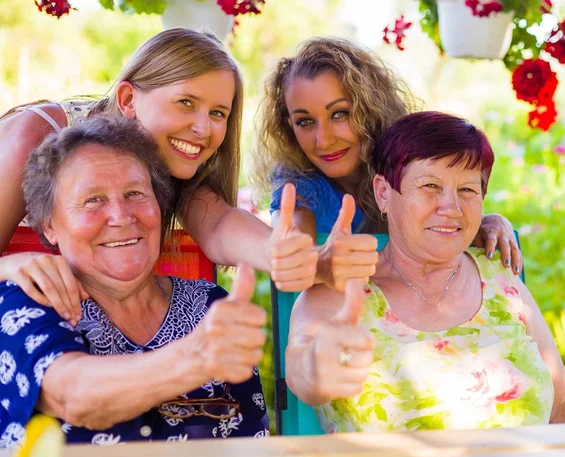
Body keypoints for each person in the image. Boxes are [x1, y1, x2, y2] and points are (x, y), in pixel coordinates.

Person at [0, 28, 356, 324]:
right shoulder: (33, 136)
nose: (203, 128)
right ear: (128, 99)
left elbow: (218, 225)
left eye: (218, 113)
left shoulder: (171, 163)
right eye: (186, 102)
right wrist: (14, 264)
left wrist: (282, 252)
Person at [285, 112, 565, 432]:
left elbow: (563, 404)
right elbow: (303, 375)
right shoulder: (338, 288)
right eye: (430, 185)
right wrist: (318, 365)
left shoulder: (500, 278)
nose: (451, 208)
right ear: (383, 192)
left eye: (467, 190)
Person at [0, 116, 269, 447]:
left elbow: (253, 445)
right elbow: (73, 396)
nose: (122, 216)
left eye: (135, 193)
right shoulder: (27, 299)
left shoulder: (210, 306)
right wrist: (195, 358)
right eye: (93, 200)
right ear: (50, 225)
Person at [255, 37, 523, 290]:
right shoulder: (298, 178)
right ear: (288, 128)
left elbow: (443, 211)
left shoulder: (405, 159)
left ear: (370, 109)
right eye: (305, 121)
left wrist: (487, 222)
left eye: (340, 114)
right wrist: (310, 260)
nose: (323, 140)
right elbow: (290, 247)